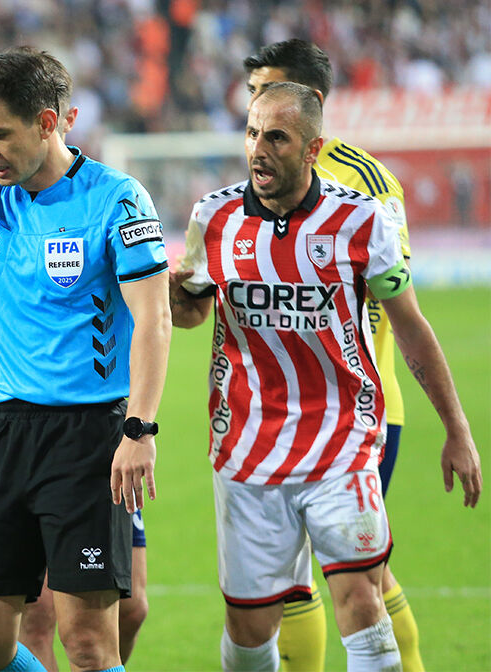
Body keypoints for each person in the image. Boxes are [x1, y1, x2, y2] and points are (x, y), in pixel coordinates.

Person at [169, 81, 482, 672]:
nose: (258, 149)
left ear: (313, 149)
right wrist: (174, 300)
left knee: (363, 605)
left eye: (277, 138)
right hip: (246, 450)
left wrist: (457, 428)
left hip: (343, 442)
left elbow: (410, 327)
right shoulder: (213, 217)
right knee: (248, 632)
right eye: (252, 133)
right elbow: (192, 312)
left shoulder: (360, 221)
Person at [0, 48, 171, 672]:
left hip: (88, 437)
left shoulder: (116, 199)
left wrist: (140, 427)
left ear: (48, 123)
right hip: (0, 429)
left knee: (86, 642)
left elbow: (154, 320)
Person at [241, 39, 421, 672]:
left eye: (266, 91)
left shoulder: (367, 182)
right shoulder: (253, 182)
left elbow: (389, 299)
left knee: (347, 578)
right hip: (274, 416)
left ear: (309, 102)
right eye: (251, 96)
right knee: (323, 577)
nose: (256, 109)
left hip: (354, 412)